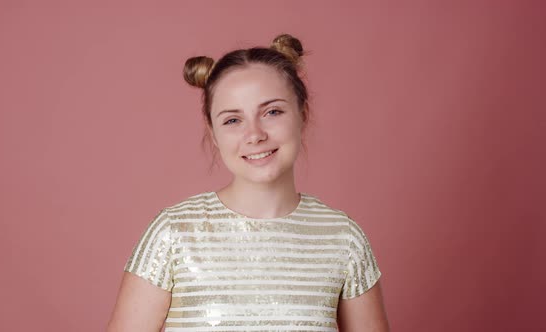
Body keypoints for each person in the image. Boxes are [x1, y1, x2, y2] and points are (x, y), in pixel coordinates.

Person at [107, 34, 389, 332]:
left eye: (272, 112)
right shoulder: (175, 233)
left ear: (302, 116)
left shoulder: (343, 239)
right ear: (214, 134)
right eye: (232, 120)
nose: (254, 135)